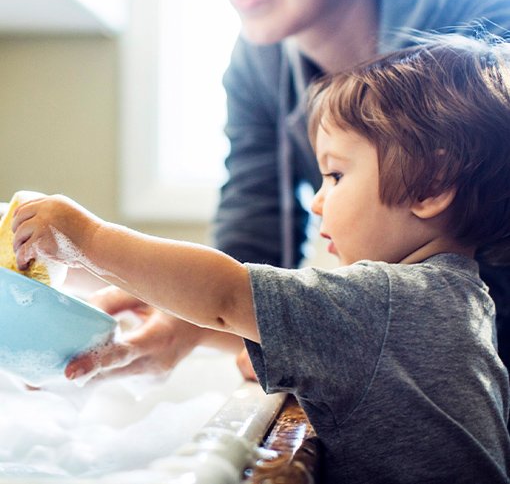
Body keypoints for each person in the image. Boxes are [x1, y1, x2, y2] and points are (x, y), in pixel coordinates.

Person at [11, 34, 510, 482]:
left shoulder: (389, 301)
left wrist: (89, 237)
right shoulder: (451, 300)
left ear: (432, 186)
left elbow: (225, 292)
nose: (317, 200)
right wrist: (182, 327)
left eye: (335, 175)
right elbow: (241, 317)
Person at [69, 0, 510, 381]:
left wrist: (85, 237)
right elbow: (251, 245)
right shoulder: (256, 64)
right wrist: (185, 312)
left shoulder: (477, 11)